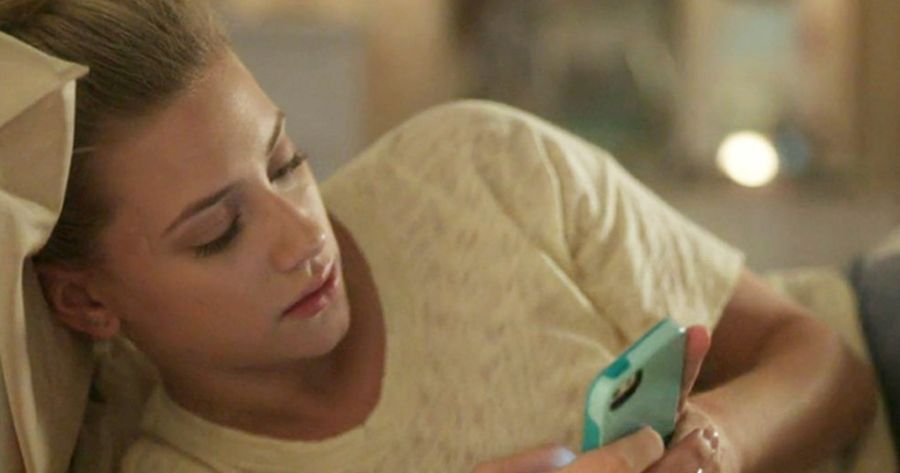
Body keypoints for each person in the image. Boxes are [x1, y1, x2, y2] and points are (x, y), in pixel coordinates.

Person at [0, 1, 878, 472]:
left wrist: (718, 447)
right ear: (85, 300)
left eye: (286, 160)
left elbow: (831, 366)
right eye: (218, 233)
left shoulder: (477, 163)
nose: (302, 235)